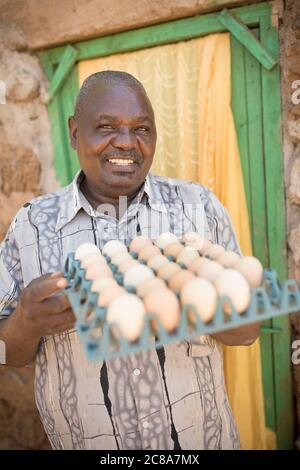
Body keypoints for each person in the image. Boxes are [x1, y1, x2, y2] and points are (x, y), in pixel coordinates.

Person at [0, 71, 259, 450]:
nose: (126, 143)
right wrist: (25, 322)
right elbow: (7, 355)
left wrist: (196, 302)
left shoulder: (198, 209)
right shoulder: (33, 225)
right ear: (74, 133)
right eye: (106, 127)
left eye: (142, 128)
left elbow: (248, 332)